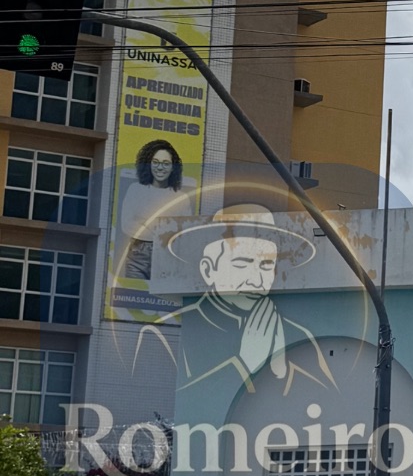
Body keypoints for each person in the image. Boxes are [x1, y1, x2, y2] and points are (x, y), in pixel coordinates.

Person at [134, 205, 334, 394]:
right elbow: (180, 406)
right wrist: (247, 366)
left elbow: (326, 405)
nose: (256, 280)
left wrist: (281, 372)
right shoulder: (161, 336)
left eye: (266, 265)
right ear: (208, 269)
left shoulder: (297, 334)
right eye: (242, 263)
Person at [117, 139, 195, 280]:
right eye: (155, 162)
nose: (160, 168)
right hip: (137, 257)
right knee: (132, 296)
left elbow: (184, 233)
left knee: (160, 300)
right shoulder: (135, 190)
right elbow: (127, 225)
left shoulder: (181, 197)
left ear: (173, 168)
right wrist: (164, 229)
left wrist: (144, 223)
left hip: (167, 258)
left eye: (166, 164)